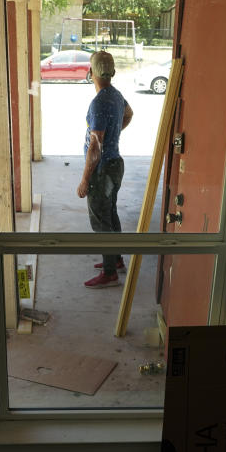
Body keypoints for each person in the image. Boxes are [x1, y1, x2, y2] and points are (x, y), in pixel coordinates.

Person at [76, 51, 134, 288]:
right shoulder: (116, 95)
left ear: (91, 73)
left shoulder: (99, 102)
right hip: (116, 166)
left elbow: (95, 146)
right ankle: (116, 259)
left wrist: (84, 180)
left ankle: (110, 273)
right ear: (112, 73)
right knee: (110, 213)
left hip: (102, 171)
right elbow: (129, 114)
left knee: (100, 221)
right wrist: (115, 133)